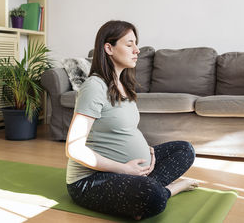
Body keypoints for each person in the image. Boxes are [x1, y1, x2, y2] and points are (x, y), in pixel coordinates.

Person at [66, 20, 198, 220]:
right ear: (109, 48)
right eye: (129, 44)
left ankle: (137, 193)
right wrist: (124, 169)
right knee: (152, 196)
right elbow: (74, 149)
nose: (137, 50)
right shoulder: (94, 86)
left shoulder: (123, 85)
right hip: (90, 179)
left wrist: (146, 149)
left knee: (185, 149)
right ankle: (170, 189)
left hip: (128, 171)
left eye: (136, 44)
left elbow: (125, 129)